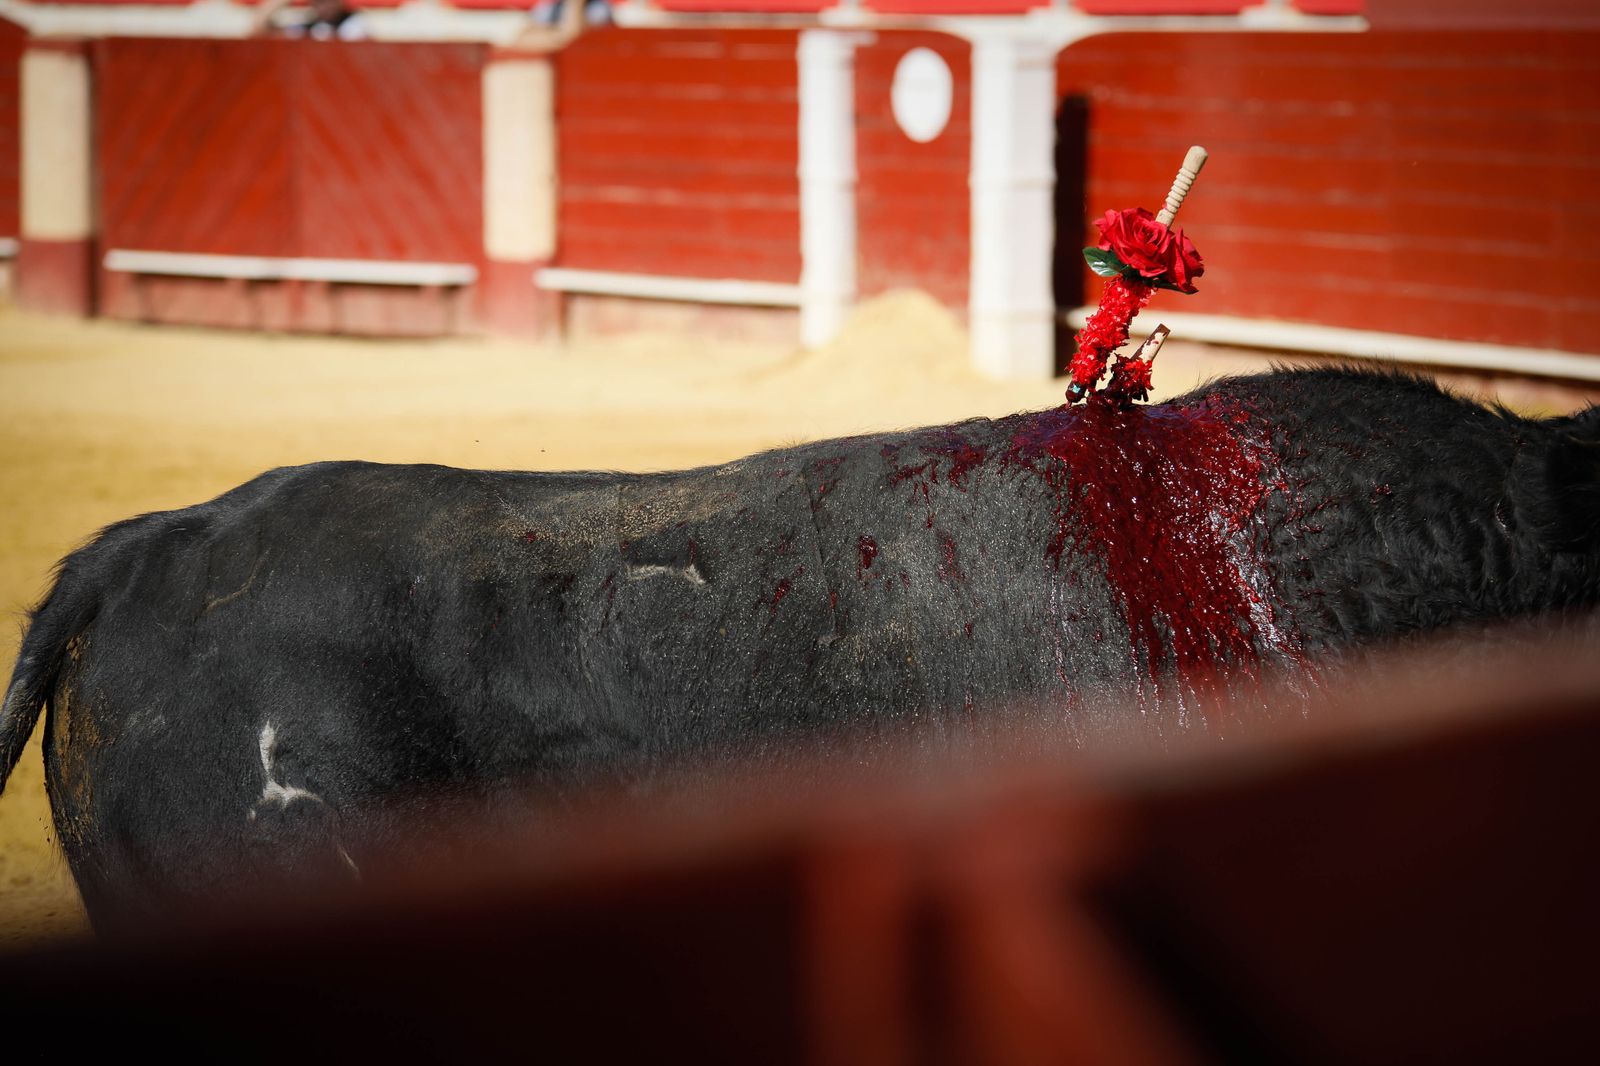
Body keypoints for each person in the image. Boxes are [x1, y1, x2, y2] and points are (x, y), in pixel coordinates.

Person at [254, 0, 370, 41]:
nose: (325, 6)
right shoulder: (306, 27)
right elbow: (259, 26)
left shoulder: (355, 24)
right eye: (319, 1)